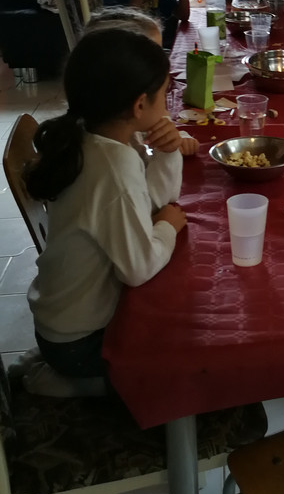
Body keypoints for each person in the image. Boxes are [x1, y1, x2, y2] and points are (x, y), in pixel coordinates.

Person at [22, 28, 187, 396]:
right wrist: (167, 228)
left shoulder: (93, 134)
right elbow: (138, 269)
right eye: (165, 93)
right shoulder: (113, 166)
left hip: (61, 325)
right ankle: (70, 383)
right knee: (179, 368)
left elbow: (151, 204)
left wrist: (168, 152)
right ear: (139, 105)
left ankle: (57, 366)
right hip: (79, 343)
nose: (168, 102)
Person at [85, 6, 199, 156]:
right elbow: (147, 171)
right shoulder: (115, 148)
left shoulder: (117, 112)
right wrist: (169, 154)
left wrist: (174, 138)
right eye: (152, 58)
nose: (162, 67)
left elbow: (156, 132)